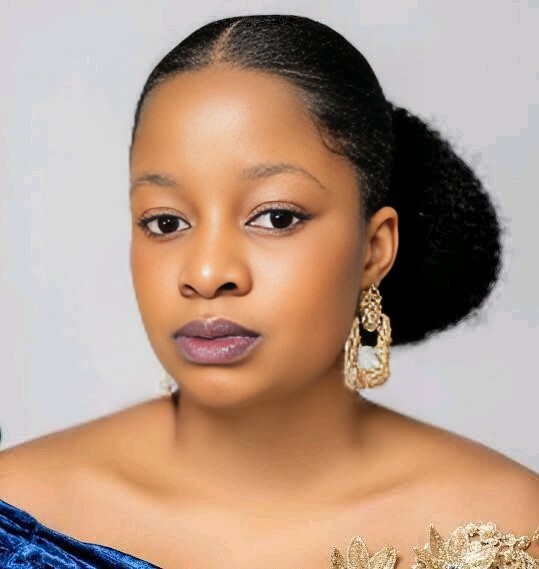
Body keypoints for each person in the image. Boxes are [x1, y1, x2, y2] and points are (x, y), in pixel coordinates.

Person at [0, 14, 537, 569]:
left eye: (276, 217)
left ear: (374, 249)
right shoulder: (15, 513)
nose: (207, 273)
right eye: (166, 222)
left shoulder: (508, 528)